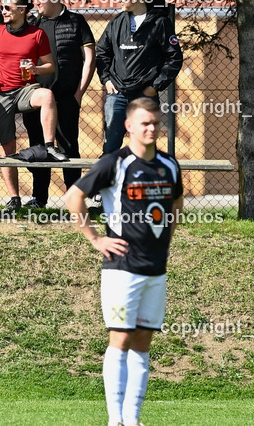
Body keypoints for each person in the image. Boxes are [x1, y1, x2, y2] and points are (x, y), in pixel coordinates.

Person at [64, 97, 183, 426]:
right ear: (129, 126)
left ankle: (133, 420)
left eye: (156, 123)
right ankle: (114, 420)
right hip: (122, 270)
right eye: (144, 123)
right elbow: (73, 197)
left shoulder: (169, 164)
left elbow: (176, 203)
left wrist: (165, 243)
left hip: (155, 270)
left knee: (143, 341)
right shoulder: (115, 162)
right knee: (120, 338)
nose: (151, 128)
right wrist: (95, 239)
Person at [0, 0, 68, 211]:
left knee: (47, 95)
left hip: (26, 89)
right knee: (7, 150)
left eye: (7, 7)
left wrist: (35, 68)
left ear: (22, 10)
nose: (3, 11)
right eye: (1, 7)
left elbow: (49, 65)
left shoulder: (37, 34)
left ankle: (50, 146)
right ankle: (14, 199)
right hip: (0, 94)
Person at [21, 0, 97, 207]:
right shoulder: (32, 24)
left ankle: (76, 200)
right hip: (37, 99)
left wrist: (79, 93)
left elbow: (90, 59)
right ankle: (39, 199)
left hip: (66, 99)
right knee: (39, 147)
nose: (37, 2)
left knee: (69, 149)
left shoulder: (76, 22)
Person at [95, 0, 183, 154]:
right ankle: (110, 180)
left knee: (145, 147)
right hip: (117, 95)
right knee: (110, 149)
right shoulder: (116, 22)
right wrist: (106, 80)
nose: (119, 0)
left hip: (145, 95)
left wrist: (154, 86)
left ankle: (145, 180)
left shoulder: (160, 23)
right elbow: (102, 52)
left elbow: (174, 58)